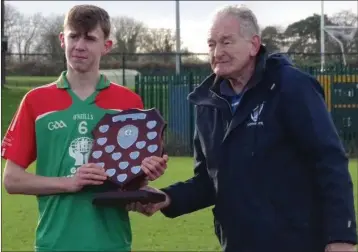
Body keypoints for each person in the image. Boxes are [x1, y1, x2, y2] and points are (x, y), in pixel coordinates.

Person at [127, 5, 357, 252]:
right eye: (211, 44)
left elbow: (328, 160)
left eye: (226, 42)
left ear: (254, 45)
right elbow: (209, 181)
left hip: (298, 242)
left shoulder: (291, 86)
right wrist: (166, 198)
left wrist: (341, 236)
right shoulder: (208, 103)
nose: (218, 52)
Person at [1, 4, 167, 252]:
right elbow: (12, 180)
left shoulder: (129, 103)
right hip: (54, 243)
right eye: (73, 36)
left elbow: (130, 184)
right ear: (62, 40)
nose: (79, 46)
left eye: (90, 38)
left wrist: (146, 176)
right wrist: (70, 182)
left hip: (112, 243)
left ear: (106, 46)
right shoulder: (36, 101)